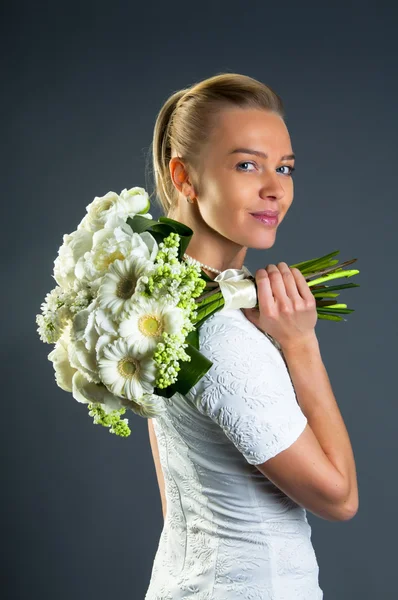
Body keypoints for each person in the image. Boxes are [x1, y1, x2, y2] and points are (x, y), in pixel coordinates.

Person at [144, 72, 358, 599]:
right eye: (247, 165)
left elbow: (176, 492)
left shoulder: (154, 305)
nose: (275, 188)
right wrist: (300, 343)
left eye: (284, 168)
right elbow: (339, 498)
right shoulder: (222, 337)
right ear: (184, 177)